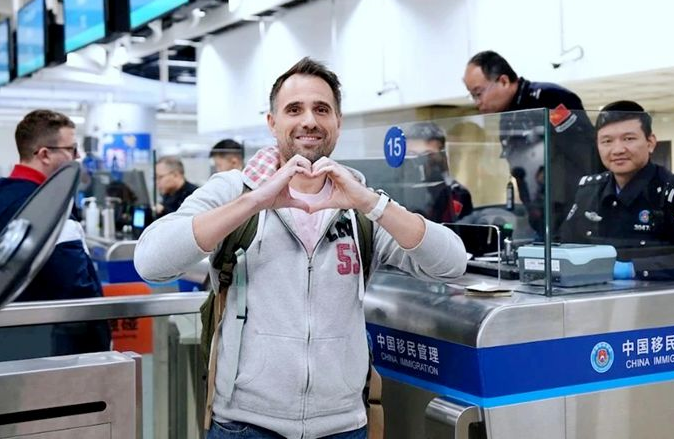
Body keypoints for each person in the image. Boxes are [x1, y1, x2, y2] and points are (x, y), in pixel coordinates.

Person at [134, 58, 468, 439]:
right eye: (294, 109)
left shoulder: (360, 204)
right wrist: (254, 201)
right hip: (245, 425)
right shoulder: (233, 190)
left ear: (338, 122)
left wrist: (372, 203)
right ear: (272, 122)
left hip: (344, 425)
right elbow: (151, 261)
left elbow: (452, 263)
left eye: (321, 109)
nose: (309, 120)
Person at [560, 101, 674, 280]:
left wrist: (634, 269)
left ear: (650, 143)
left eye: (629, 139)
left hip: (655, 295)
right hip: (591, 292)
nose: (617, 150)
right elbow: (564, 245)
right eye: (607, 141)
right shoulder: (589, 191)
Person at [0, 109, 110, 357]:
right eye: (71, 149)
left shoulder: (3, 195)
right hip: (48, 351)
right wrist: (100, 350)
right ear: (45, 154)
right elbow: (78, 294)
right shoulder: (52, 212)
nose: (77, 157)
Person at [463, 50, 597, 238]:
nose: (478, 102)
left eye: (478, 93)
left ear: (503, 81)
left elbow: (586, 156)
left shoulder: (549, 99)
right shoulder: (507, 118)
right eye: (472, 96)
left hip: (572, 213)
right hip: (539, 215)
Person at [406, 121, 474, 221]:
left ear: (442, 156)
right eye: (412, 154)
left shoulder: (456, 194)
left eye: (428, 154)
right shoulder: (396, 190)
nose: (420, 161)